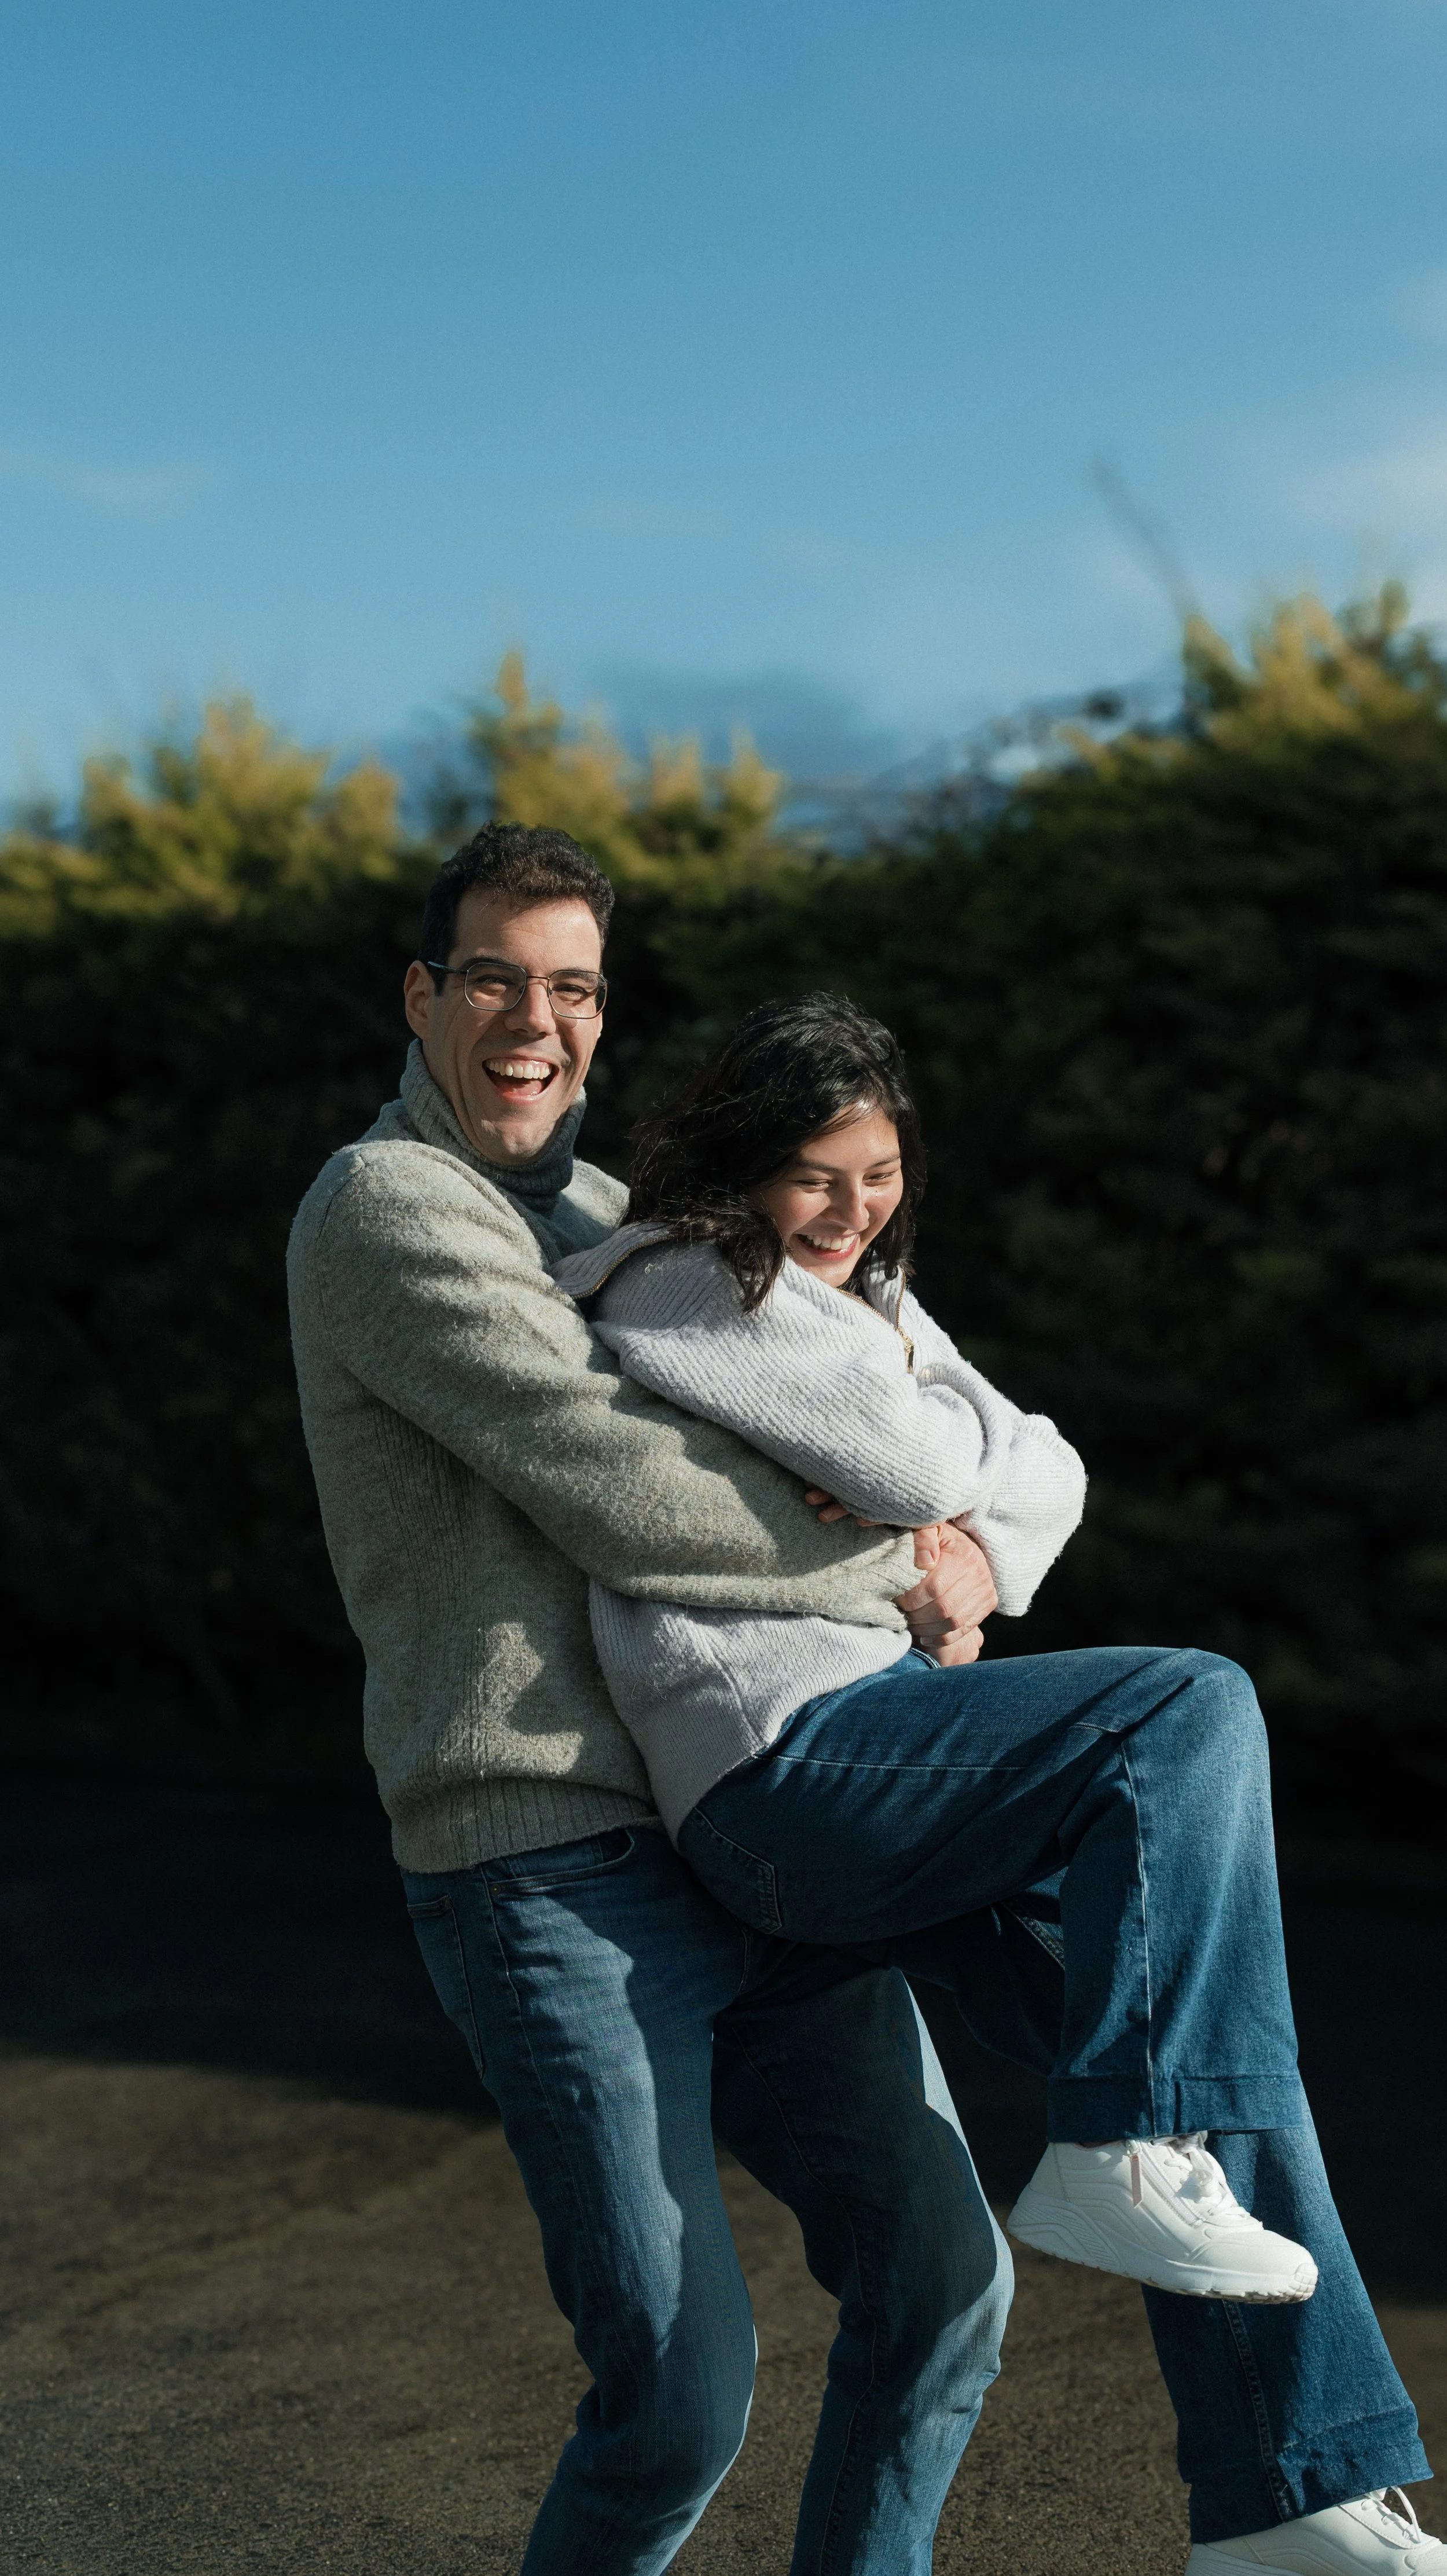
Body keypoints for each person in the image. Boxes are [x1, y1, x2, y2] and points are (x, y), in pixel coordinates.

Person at [548, 990, 1444, 2574]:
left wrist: (952, 1557)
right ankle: (1117, 2155)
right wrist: (942, 1478)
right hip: (783, 1775)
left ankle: (1286, 2497)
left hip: (892, 1735)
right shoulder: (682, 1276)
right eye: (816, 1173)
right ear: (745, 1166)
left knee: (1220, 2065)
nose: (851, 1209)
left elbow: (1043, 1470)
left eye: (880, 1171)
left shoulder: (858, 1300)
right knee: (1185, 1708)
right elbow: (929, 1465)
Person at [287, 821, 1015, 2576]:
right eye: (492, 977)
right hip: (545, 1865)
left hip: (744, 1817)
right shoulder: (385, 1207)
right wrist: (900, 1566)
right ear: (423, 993)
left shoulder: (626, 1227)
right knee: (678, 2394)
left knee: (944, 2284)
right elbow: (613, 1477)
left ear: (603, 1018)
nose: (533, 1020)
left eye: (574, 988)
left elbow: (860, 1396)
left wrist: (974, 1531)